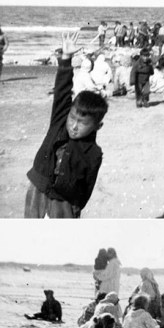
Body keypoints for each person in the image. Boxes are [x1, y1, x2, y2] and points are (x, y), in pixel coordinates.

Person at [25, 32, 107, 219]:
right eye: (72, 118)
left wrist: (75, 207)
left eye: (82, 123)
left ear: (97, 126)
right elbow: (62, 92)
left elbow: (87, 188)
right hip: (37, 190)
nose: (74, 126)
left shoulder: (93, 153)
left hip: (64, 203)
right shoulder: (59, 123)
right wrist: (66, 59)